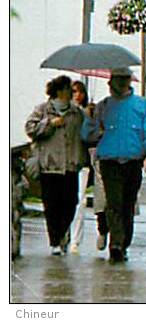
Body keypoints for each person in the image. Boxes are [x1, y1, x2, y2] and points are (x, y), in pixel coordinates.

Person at [81, 67, 146, 262]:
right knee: (113, 202)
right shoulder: (103, 107)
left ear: (127, 82)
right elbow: (88, 135)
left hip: (133, 162)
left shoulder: (142, 106)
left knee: (127, 204)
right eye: (114, 81)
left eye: (120, 81)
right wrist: (89, 118)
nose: (114, 85)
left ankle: (123, 243)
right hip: (109, 161)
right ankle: (116, 244)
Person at [25, 75, 89, 255]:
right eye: (70, 89)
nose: (73, 93)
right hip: (49, 165)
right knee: (51, 205)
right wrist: (49, 124)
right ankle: (55, 240)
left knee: (70, 203)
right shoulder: (43, 110)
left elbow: (86, 133)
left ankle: (62, 232)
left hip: (70, 166)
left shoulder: (76, 113)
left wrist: (91, 117)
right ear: (60, 91)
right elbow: (30, 128)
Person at [68, 80, 109, 254]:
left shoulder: (88, 113)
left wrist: (89, 119)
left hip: (84, 161)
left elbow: (91, 135)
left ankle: (76, 240)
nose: (77, 95)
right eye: (73, 92)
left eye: (80, 92)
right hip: (66, 162)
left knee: (80, 200)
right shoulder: (63, 113)